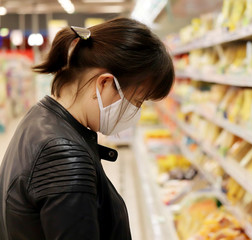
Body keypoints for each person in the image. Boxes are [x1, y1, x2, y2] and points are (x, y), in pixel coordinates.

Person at [0, 17, 174, 240]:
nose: (136, 111)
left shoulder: (40, 116)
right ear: (104, 83)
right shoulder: (64, 156)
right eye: (137, 101)